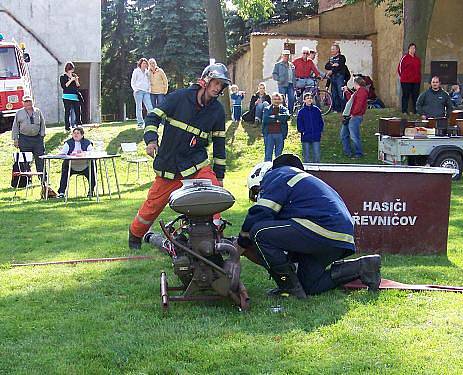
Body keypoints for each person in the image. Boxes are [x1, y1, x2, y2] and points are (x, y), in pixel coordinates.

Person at [236, 154, 382, 298]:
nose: (258, 196)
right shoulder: (296, 179)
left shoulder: (277, 175)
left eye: (257, 192)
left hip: (321, 227)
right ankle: (364, 266)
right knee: (308, 286)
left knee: (258, 232)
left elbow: (261, 212)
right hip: (336, 234)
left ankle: (288, 288)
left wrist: (242, 240)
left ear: (261, 177)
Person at [128, 63, 231, 249]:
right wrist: (151, 141)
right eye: (215, 83)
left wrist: (220, 176)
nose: (218, 88)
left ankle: (215, 238)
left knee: (214, 194)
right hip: (170, 166)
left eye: (221, 85)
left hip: (196, 165)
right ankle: (135, 235)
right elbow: (152, 118)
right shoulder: (179, 97)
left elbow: (219, 145)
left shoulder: (217, 111)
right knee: (152, 207)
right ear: (205, 80)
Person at [12, 95, 46, 181]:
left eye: (29, 101)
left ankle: (43, 179)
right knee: (25, 161)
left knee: (40, 159)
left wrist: (42, 135)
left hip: (37, 139)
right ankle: (28, 180)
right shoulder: (19, 113)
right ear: (23, 103)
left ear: (32, 102)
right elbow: (15, 126)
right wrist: (15, 139)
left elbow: (43, 124)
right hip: (24, 139)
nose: (28, 103)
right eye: (26, 102)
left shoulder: (38, 111)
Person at [56, 127, 95, 198]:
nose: (75, 135)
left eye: (78, 133)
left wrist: (83, 153)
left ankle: (91, 191)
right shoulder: (68, 143)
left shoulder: (87, 143)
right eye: (74, 133)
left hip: (85, 166)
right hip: (71, 166)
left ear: (82, 135)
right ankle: (61, 192)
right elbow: (63, 153)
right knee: (65, 166)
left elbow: (91, 153)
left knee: (92, 165)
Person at [341, 77, 368, 158]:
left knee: (354, 136)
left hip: (355, 116)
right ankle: (348, 152)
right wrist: (346, 92)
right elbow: (352, 101)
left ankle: (358, 153)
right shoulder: (358, 92)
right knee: (344, 134)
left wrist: (353, 113)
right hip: (350, 115)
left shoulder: (362, 91)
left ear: (357, 83)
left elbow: (358, 105)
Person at [297, 92, 324, 163]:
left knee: (317, 155)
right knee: (306, 156)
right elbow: (299, 124)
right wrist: (302, 131)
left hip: (316, 135)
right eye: (307, 98)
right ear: (304, 100)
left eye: (310, 98)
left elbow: (321, 122)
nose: (309, 99)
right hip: (306, 136)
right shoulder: (301, 112)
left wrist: (320, 131)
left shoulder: (316, 110)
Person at [262, 93, 290, 162]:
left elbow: (286, 117)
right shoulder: (267, 109)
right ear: (271, 100)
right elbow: (265, 119)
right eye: (275, 99)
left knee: (279, 156)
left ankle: (277, 170)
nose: (276, 101)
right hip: (269, 134)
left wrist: (274, 116)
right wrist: (278, 119)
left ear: (281, 100)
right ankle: (267, 171)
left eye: (278, 99)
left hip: (280, 134)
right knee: (268, 155)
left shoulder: (284, 109)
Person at [397, 43, 421, 114]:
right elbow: (399, 68)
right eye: (411, 48)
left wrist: (418, 77)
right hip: (406, 81)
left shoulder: (417, 59)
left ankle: (415, 110)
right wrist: (403, 76)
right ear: (408, 49)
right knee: (405, 96)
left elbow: (418, 69)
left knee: (415, 96)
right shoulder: (404, 58)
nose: (412, 50)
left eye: (414, 48)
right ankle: (404, 110)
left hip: (416, 81)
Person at [131, 58, 153, 129]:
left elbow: (149, 82)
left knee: (150, 107)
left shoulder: (147, 72)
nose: (145, 65)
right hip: (138, 91)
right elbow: (133, 82)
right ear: (140, 64)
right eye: (143, 63)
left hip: (146, 92)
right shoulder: (136, 71)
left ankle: (150, 122)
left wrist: (149, 90)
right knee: (139, 108)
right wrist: (135, 89)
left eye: (146, 64)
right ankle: (140, 123)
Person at [60, 61, 82, 131]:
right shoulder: (63, 77)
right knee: (67, 112)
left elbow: (78, 86)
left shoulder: (74, 75)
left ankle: (78, 124)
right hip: (67, 97)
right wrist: (70, 80)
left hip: (75, 96)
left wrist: (76, 80)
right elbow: (64, 86)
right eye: (70, 69)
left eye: (72, 69)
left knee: (78, 111)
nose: (71, 71)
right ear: (67, 69)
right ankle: (67, 127)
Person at [325, 44, 348, 112]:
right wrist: (333, 65)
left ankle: (344, 109)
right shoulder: (331, 58)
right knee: (334, 94)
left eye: (333, 49)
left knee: (341, 93)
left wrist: (332, 70)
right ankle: (336, 109)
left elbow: (340, 66)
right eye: (331, 49)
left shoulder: (341, 57)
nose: (332, 51)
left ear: (337, 49)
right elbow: (326, 66)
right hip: (333, 78)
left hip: (339, 77)